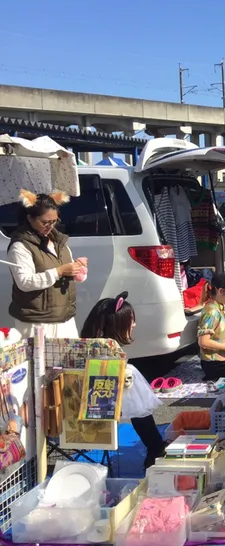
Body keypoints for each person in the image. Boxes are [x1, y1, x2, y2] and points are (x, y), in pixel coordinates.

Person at [80, 293, 166, 468]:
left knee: (132, 386)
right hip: (97, 404)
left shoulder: (90, 345)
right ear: (117, 323)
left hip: (90, 401)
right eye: (131, 320)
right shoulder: (106, 352)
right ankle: (156, 448)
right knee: (132, 385)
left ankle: (156, 446)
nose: (134, 325)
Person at [7, 190, 87, 338]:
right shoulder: (20, 246)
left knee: (68, 354)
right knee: (39, 355)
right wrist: (59, 271)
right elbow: (24, 282)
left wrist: (77, 269)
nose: (50, 226)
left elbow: (69, 271)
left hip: (64, 318)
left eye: (54, 221)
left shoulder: (59, 241)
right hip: (37, 322)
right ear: (30, 218)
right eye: (45, 222)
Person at [198, 273, 225, 381]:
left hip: (222, 357)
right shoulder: (211, 312)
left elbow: (218, 330)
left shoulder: (220, 306)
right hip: (214, 363)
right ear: (221, 291)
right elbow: (203, 342)